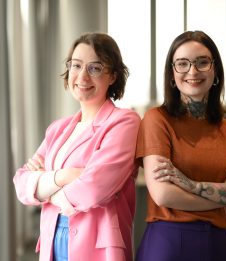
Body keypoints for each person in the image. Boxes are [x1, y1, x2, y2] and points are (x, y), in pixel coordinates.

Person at [13, 32, 141, 261]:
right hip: (53, 240)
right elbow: (21, 183)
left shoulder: (124, 122)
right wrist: (64, 177)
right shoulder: (57, 130)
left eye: (95, 68)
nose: (82, 76)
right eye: (76, 65)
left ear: (112, 75)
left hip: (97, 246)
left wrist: (44, 186)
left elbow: (94, 189)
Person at [135, 30, 226, 261]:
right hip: (170, 241)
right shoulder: (157, 119)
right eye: (182, 64)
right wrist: (225, 193)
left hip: (218, 242)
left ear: (216, 71)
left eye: (202, 62)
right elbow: (163, 194)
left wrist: (190, 185)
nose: (192, 71)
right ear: (172, 75)